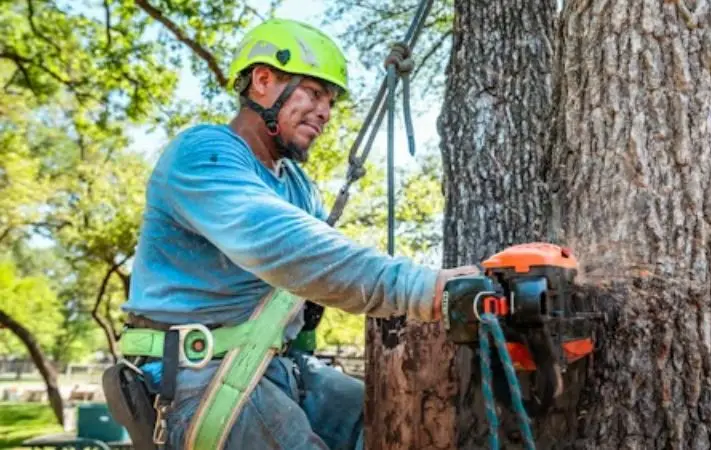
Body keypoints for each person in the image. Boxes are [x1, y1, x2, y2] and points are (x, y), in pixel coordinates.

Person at [119, 17, 477, 450]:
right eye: (313, 92)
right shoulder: (203, 153)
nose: (325, 112)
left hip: (273, 365)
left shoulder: (298, 186)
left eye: (330, 101)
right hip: (195, 374)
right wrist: (425, 288)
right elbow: (291, 247)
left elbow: (325, 269)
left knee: (401, 421)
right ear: (263, 81)